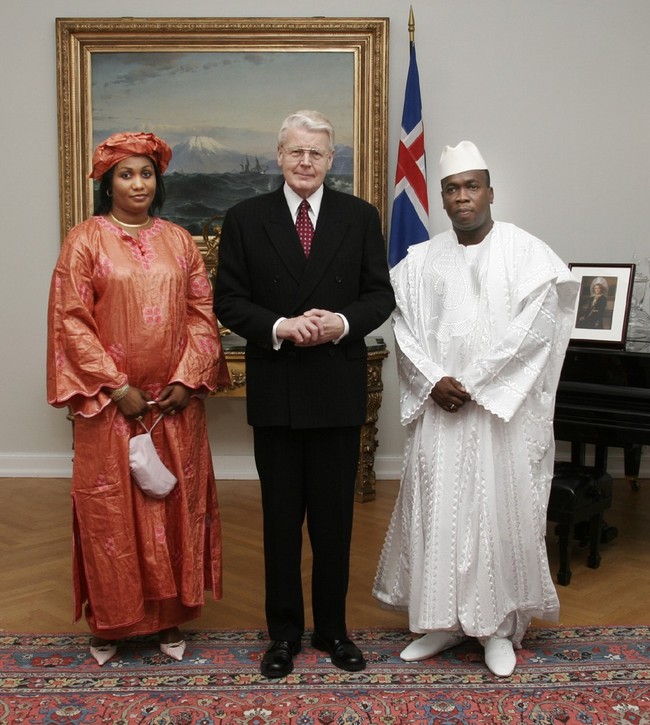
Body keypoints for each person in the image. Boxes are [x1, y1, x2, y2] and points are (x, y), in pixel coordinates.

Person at [373, 141, 579, 677]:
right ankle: (441, 621)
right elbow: (403, 328)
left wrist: (476, 383)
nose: (462, 196)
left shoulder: (527, 253)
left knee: (495, 516)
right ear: (441, 198)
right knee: (439, 513)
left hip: (496, 415)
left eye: (471, 186)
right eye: (451, 189)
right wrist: (432, 381)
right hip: (440, 410)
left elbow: (536, 330)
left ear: (490, 192)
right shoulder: (419, 261)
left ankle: (496, 629)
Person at [213, 110, 395, 678]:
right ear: (279, 156)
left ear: (331, 159)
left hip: (337, 390)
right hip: (279, 392)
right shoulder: (246, 218)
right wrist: (280, 326)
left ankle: (334, 631)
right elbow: (228, 301)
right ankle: (284, 635)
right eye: (296, 151)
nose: (306, 162)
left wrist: (341, 323)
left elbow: (379, 295)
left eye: (316, 153)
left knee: (334, 524)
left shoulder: (359, 217)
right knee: (280, 523)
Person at [47, 131, 230, 665]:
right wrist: (115, 385)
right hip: (110, 407)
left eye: (146, 173)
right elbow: (71, 320)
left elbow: (201, 313)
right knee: (111, 516)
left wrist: (187, 378)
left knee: (173, 506)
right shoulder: (84, 240)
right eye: (126, 174)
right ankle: (111, 623)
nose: (137, 184)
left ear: (158, 181)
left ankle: (169, 618)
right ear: (108, 184)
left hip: (173, 406)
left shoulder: (179, 240)